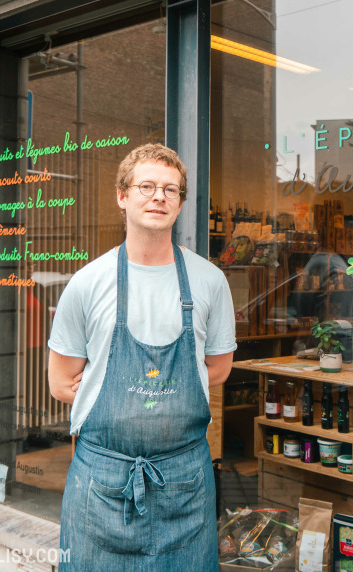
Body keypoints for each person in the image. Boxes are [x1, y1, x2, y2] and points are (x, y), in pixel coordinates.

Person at [47, 143, 236, 571]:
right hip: (102, 485)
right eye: (146, 186)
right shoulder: (88, 282)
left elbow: (219, 368)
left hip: (185, 482)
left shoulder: (209, 281)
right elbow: (61, 384)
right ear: (122, 195)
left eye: (171, 190)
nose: (158, 197)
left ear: (181, 202)